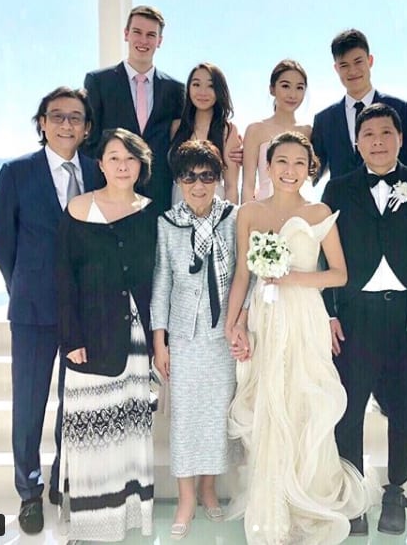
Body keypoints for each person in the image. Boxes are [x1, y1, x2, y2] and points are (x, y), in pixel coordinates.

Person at [225, 131, 371, 545]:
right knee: (269, 406)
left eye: (299, 163)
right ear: (268, 166)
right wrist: (234, 325)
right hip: (265, 317)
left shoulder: (318, 211)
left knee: (304, 404)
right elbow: (242, 275)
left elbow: (339, 274)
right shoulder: (249, 212)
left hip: (305, 317)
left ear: (310, 169)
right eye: (282, 162)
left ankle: (309, 498)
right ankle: (274, 505)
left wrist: (291, 278)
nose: (290, 170)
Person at [0, 87, 100, 534]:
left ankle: (61, 480)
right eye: (57, 116)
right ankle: (29, 491)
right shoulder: (16, 172)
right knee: (29, 403)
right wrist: (22, 285)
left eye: (75, 117)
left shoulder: (98, 170)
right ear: (42, 122)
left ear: (87, 128)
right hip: (33, 310)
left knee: (73, 402)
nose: (66, 124)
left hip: (84, 311)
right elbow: (2, 243)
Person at [321, 103, 407, 537]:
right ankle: (353, 497)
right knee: (347, 410)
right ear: (357, 142)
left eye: (387, 133)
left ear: (400, 139)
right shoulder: (337, 189)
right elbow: (323, 252)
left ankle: (395, 490)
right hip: (355, 316)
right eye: (369, 135)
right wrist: (328, 311)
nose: (378, 142)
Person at [56, 128, 158, 541]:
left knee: (130, 429)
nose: (122, 165)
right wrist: (71, 339)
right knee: (90, 430)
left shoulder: (152, 211)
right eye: (114, 157)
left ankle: (130, 515)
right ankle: (91, 523)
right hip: (89, 336)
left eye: (130, 158)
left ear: (141, 165)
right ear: (100, 164)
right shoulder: (78, 208)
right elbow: (63, 277)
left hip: (136, 339)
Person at [151, 140, 237, 540]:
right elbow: (162, 284)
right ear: (179, 182)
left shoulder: (234, 218)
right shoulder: (168, 223)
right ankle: (186, 498)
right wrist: (160, 342)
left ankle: (208, 488)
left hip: (223, 336)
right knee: (185, 418)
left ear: (218, 179)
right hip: (184, 336)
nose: (198, 185)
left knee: (217, 415)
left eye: (206, 176)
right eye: (189, 177)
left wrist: (240, 325)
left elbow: (244, 277)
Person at [83, 5, 185, 212]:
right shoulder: (98, 82)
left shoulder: (175, 89)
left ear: (159, 41)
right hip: (110, 193)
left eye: (151, 35)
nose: (143, 40)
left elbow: (184, 136)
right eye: (137, 32)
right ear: (126, 34)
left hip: (158, 195)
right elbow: (90, 140)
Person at [312, 28, 407, 180]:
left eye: (358, 62)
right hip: (340, 195)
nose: (352, 71)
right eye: (344, 65)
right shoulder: (324, 120)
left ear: (370, 61)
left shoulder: (399, 108)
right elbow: (312, 173)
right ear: (336, 69)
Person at [169, 63, 240, 203]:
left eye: (211, 86)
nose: (203, 92)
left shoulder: (227, 130)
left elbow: (231, 186)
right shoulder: (176, 127)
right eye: (196, 84)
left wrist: (230, 216)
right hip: (179, 202)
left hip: (213, 205)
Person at [241, 59, 311, 202]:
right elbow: (248, 185)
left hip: (302, 209)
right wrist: (247, 214)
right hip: (264, 207)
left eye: (299, 87)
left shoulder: (308, 131)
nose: (292, 94)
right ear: (272, 89)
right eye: (285, 86)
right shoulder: (255, 130)